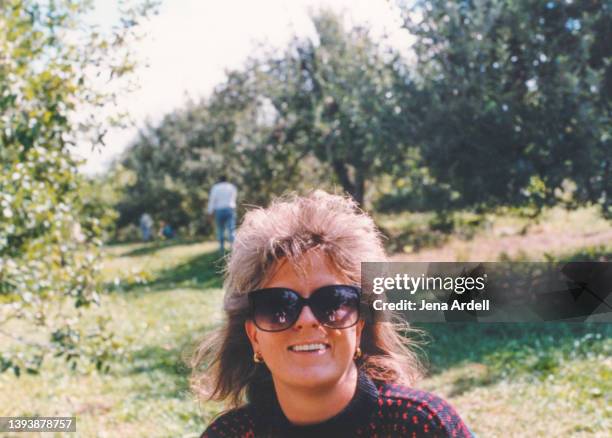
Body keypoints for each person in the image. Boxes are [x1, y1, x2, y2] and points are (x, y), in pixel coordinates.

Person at [192, 190, 474, 437]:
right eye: (278, 306)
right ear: (254, 336)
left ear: (360, 324)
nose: (307, 320)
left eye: (332, 301)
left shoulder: (422, 426)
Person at [207, 176, 237, 254]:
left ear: (219, 180)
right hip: (229, 209)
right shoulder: (231, 187)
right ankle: (233, 248)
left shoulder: (216, 188)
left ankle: (221, 248)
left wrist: (210, 212)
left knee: (220, 230)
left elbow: (212, 200)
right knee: (231, 229)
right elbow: (234, 198)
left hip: (219, 210)